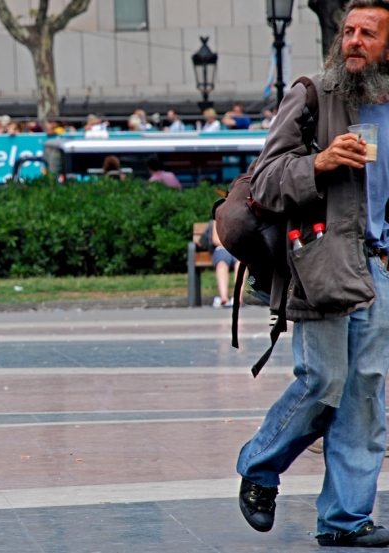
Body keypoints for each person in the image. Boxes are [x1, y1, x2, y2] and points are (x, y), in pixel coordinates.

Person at [236, 1, 389, 547]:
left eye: (367, 33)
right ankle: (258, 465)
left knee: (366, 396)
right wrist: (318, 163)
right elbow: (264, 182)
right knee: (324, 383)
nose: (353, 41)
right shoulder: (310, 95)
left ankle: (345, 520)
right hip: (323, 259)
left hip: (379, 265)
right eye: (348, 31)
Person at [209, 220, 241, 307]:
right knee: (221, 264)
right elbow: (215, 239)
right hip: (222, 248)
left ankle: (238, 297)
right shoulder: (217, 219)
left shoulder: (240, 219)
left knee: (240, 264)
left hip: (237, 249)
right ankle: (224, 297)